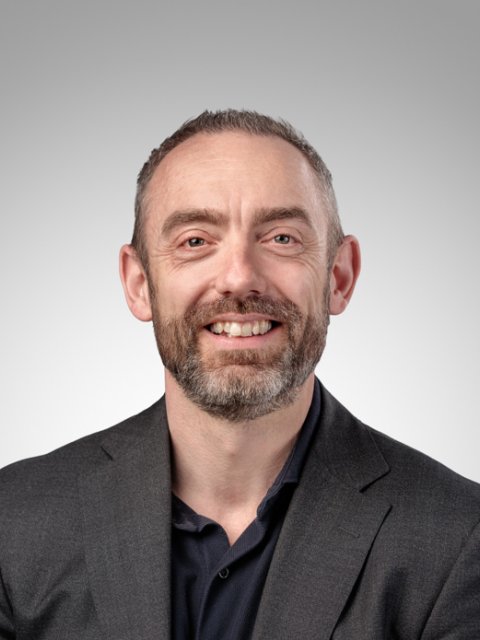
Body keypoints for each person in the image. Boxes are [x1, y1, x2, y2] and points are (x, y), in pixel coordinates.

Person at [0, 110, 479, 640]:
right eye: (195, 241)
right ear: (139, 284)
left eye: (281, 238)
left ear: (339, 277)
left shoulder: (458, 539)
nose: (239, 277)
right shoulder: (13, 523)